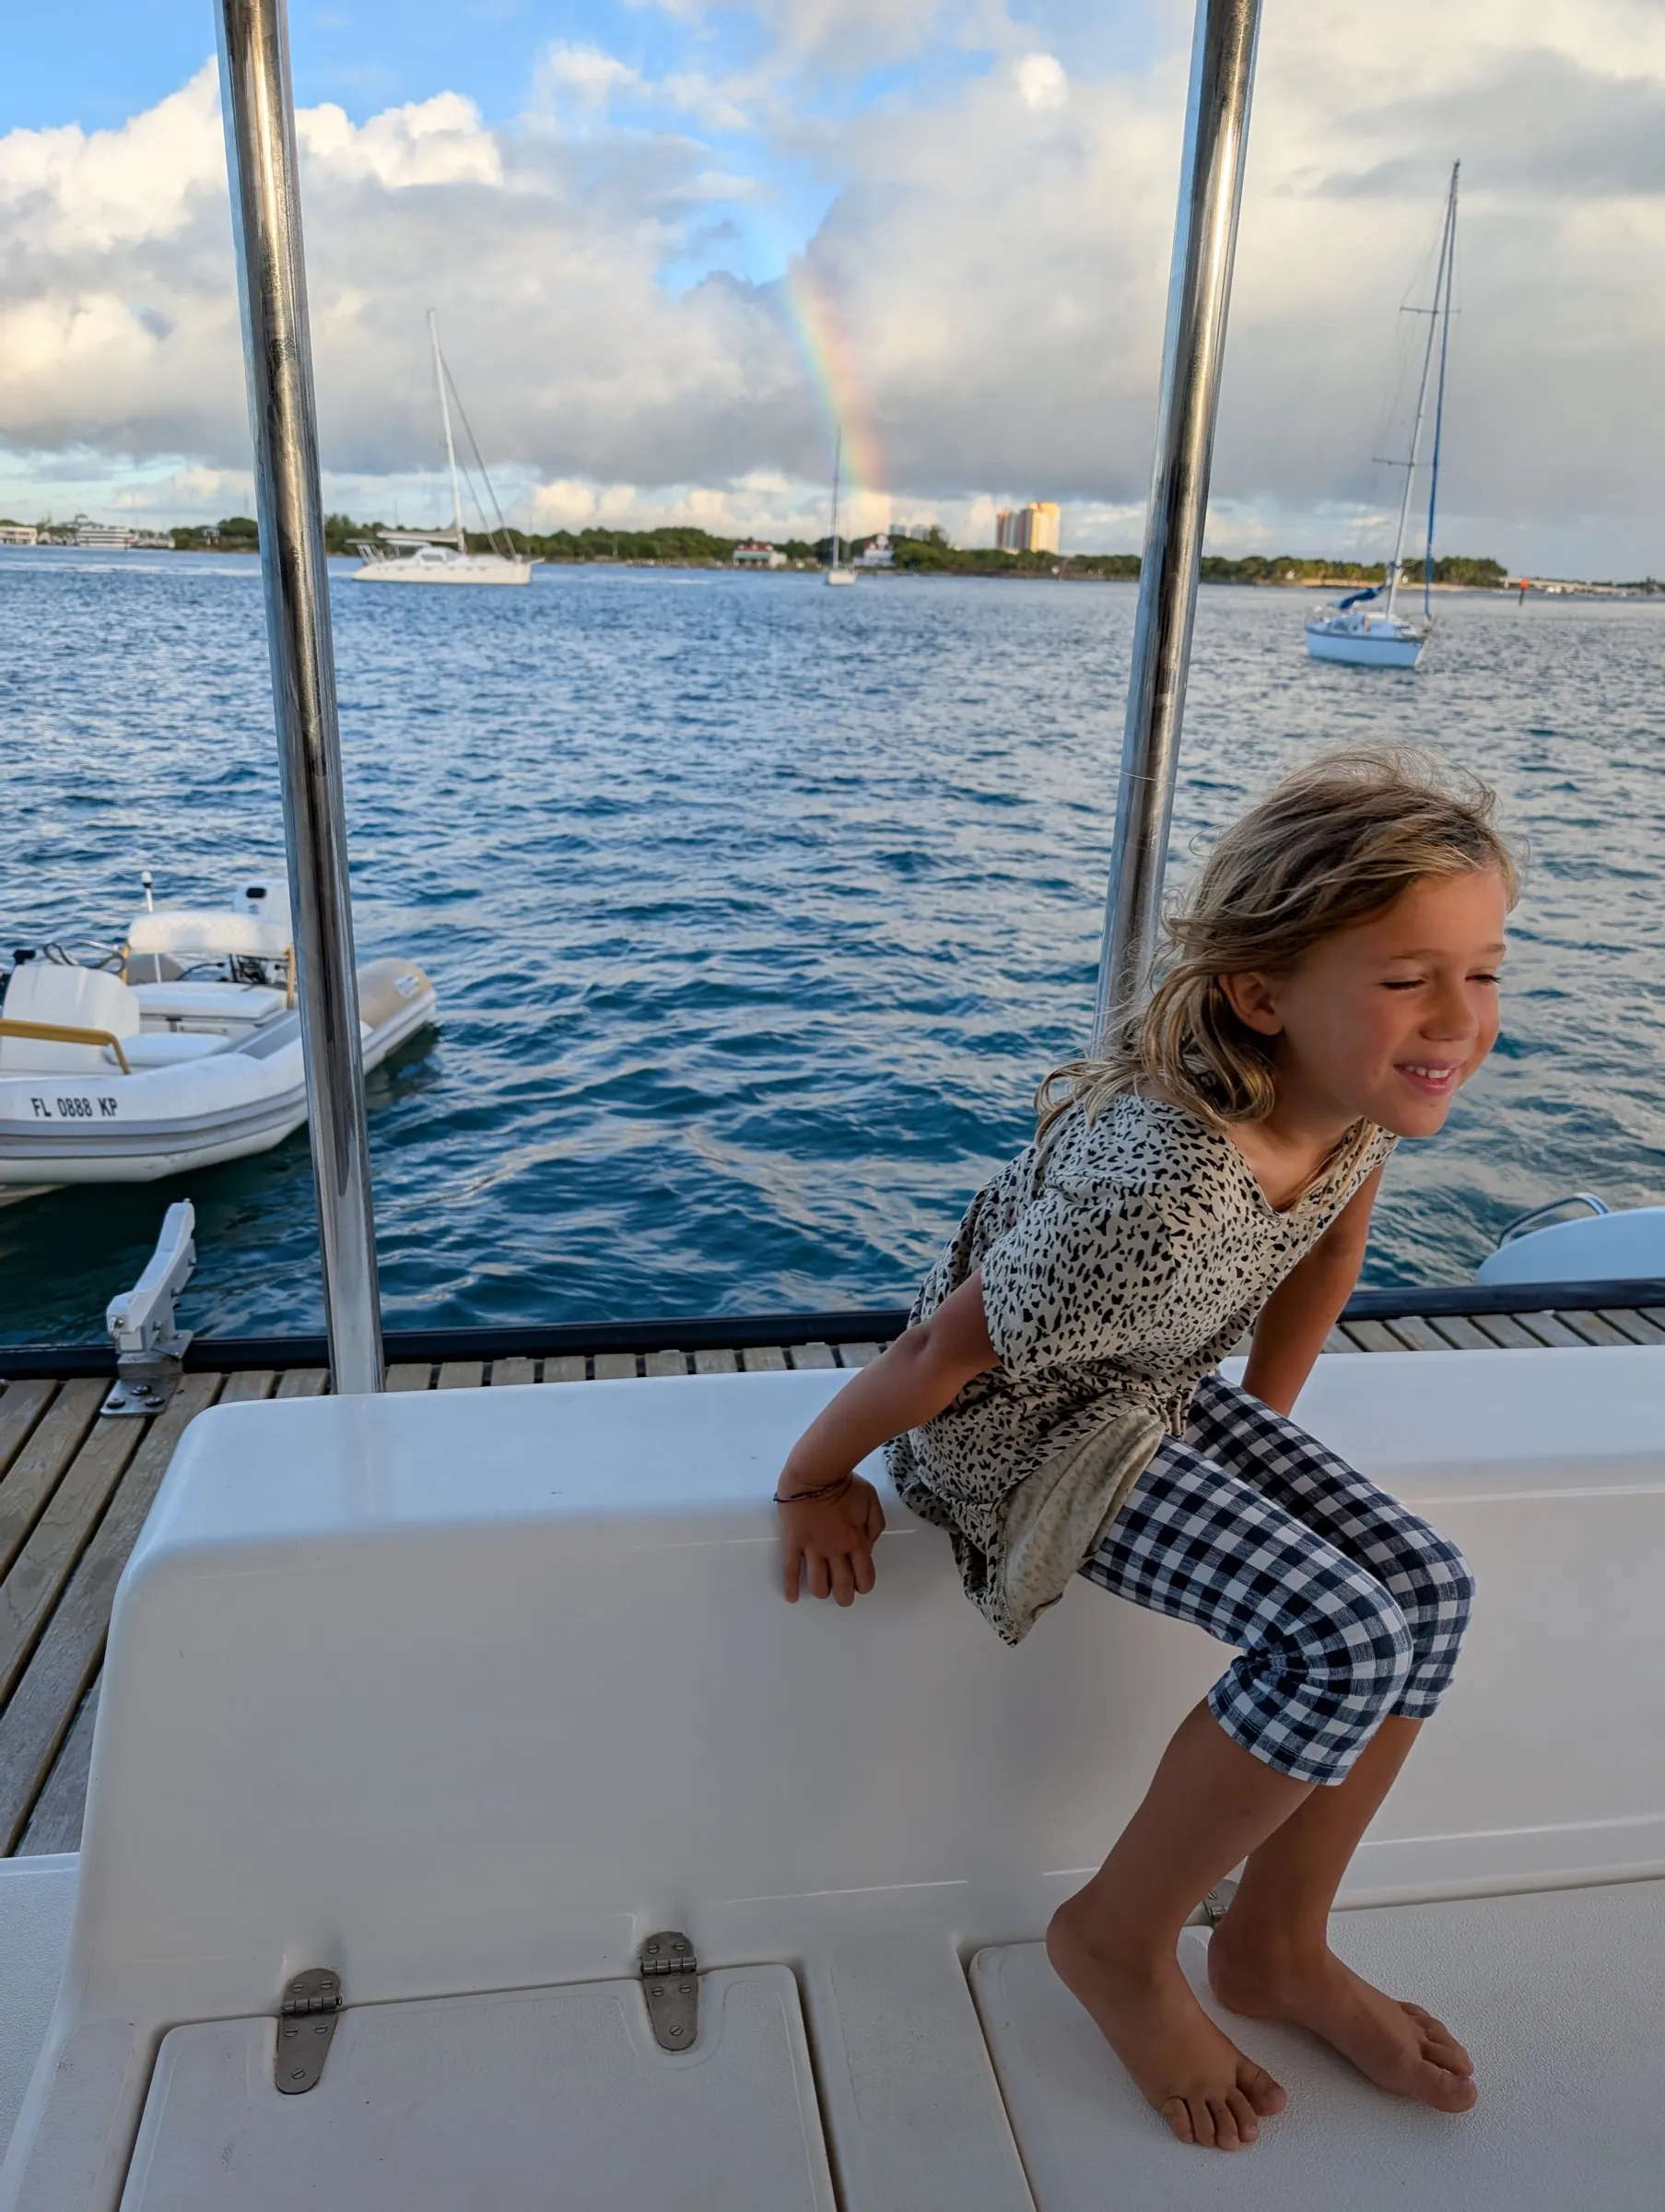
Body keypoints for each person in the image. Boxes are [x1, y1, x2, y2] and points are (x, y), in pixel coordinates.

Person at [773, 747, 1513, 2153]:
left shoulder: (1350, 1096)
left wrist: (1263, 1440)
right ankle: (1117, 1939)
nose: (1456, 1020)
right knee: (1339, 1633)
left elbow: (1324, 1254)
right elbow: (942, 1358)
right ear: (1259, 993)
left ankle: (1275, 1945)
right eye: (1408, 975)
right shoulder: (1157, 1192)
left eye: (1479, 970)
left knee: (1429, 1588)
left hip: (1150, 1389)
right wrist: (816, 1478)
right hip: (1011, 1442)